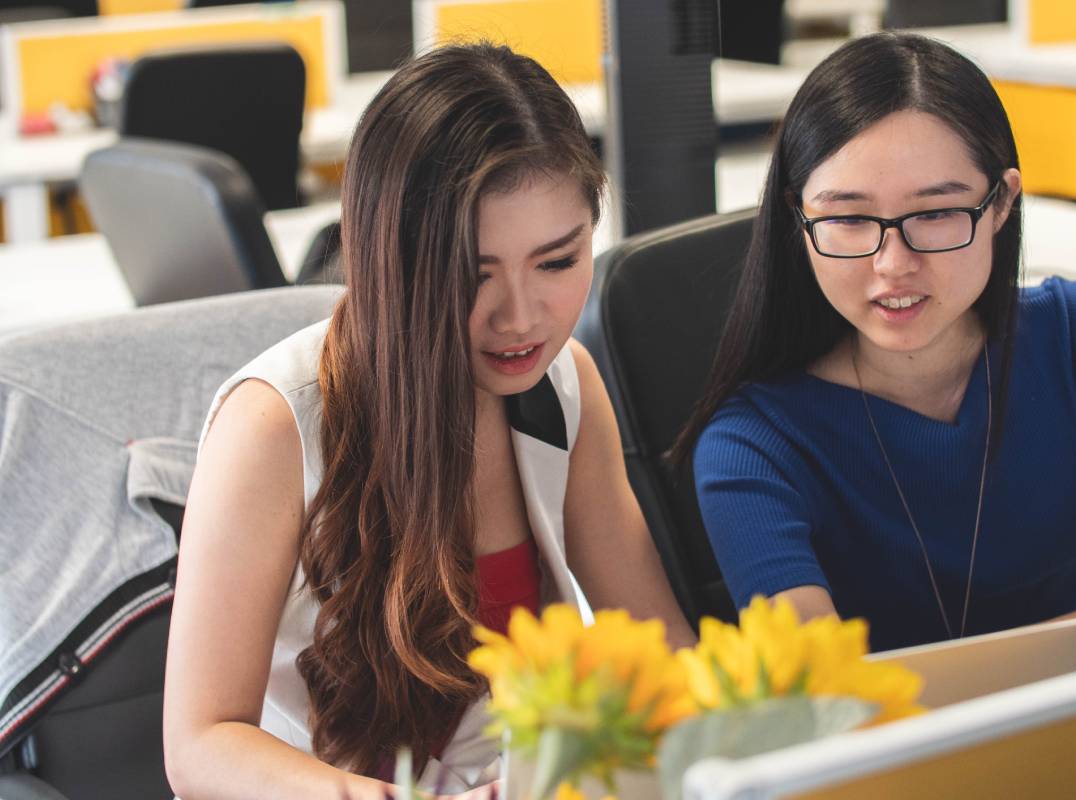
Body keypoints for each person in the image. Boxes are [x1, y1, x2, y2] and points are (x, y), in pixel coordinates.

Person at [163, 43, 693, 800]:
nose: (521, 318)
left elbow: (657, 645)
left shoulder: (566, 386)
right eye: (472, 274)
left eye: (556, 262)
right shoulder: (274, 426)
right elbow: (200, 745)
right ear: (392, 261)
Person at [677, 32, 1076, 662]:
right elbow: (826, 697)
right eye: (848, 219)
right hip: (906, 751)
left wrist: (994, 682)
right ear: (799, 219)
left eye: (936, 213)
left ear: (1002, 201)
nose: (893, 264)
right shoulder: (751, 445)